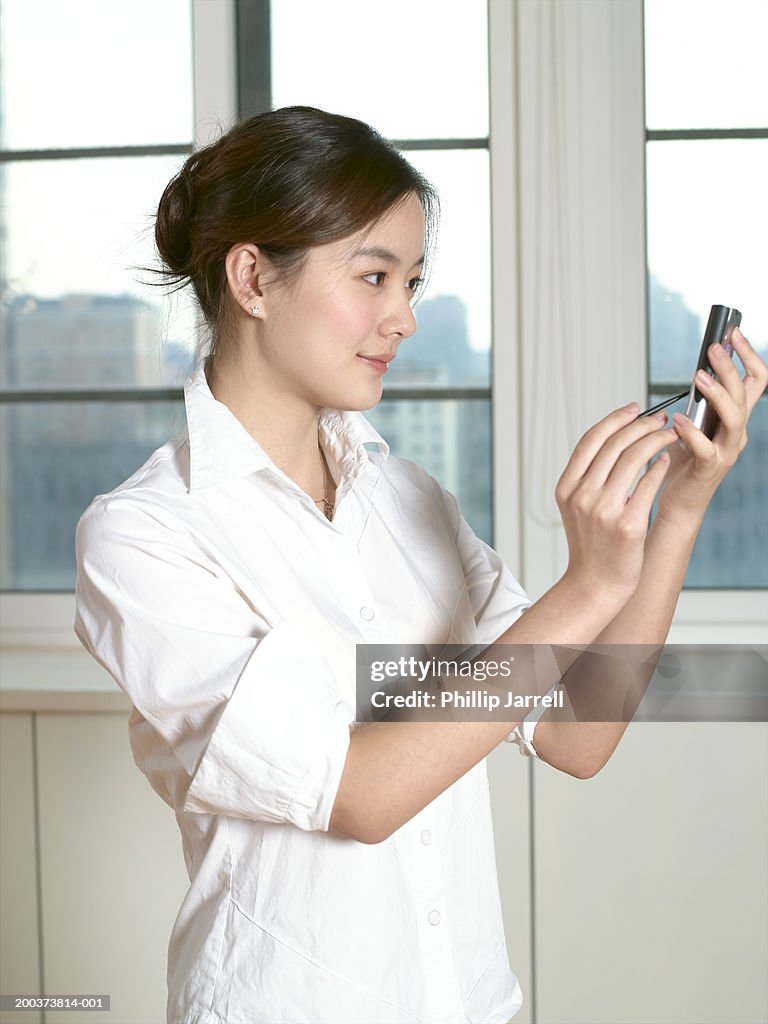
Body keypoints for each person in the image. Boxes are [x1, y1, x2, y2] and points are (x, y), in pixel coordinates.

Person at [74, 106, 767, 1024]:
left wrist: (678, 510)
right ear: (251, 277)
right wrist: (588, 585)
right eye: (374, 276)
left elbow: (576, 732)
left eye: (412, 280)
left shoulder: (409, 500)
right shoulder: (145, 535)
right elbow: (357, 792)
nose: (403, 316)